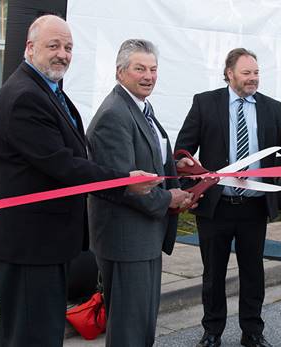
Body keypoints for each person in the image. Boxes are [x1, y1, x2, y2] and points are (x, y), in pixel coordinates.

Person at [0, 15, 160, 347]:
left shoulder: (48, 90)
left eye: (68, 47)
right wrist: (123, 180)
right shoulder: (25, 96)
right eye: (54, 45)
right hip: (28, 245)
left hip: (43, 243)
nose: (63, 54)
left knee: (40, 332)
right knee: (32, 336)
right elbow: (65, 165)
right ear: (30, 47)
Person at [175, 48, 281, 347]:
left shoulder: (272, 107)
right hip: (216, 206)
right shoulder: (205, 103)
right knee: (213, 273)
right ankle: (212, 331)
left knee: (253, 272)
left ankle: (252, 331)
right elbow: (183, 150)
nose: (253, 78)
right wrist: (187, 177)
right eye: (247, 73)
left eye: (256, 73)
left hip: (254, 206)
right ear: (229, 73)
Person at [86, 39, 193, 347]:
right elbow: (123, 185)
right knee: (129, 327)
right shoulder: (114, 114)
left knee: (143, 322)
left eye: (153, 69)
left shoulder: (141, 107)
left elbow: (148, 162)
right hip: (124, 238)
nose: (148, 76)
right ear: (120, 72)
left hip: (145, 234)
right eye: (140, 69)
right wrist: (168, 198)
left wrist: (177, 170)